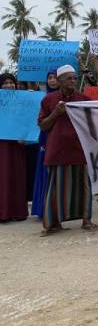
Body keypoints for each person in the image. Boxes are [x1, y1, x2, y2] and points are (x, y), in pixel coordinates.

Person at [37, 65, 98, 235]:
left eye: (75, 78)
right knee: (55, 189)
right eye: (69, 78)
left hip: (80, 149)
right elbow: (43, 125)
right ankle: (53, 224)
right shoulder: (49, 100)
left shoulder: (84, 100)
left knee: (83, 186)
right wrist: (56, 113)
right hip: (57, 150)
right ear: (60, 80)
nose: (73, 81)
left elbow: (95, 120)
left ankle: (86, 220)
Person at [0, 73, 28, 222]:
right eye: (5, 83)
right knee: (3, 176)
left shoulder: (23, 101)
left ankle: (18, 212)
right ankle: (3, 213)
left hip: (17, 144)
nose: (9, 85)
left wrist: (26, 136)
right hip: (2, 145)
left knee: (16, 176)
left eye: (11, 82)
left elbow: (28, 120)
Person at [31, 71, 59, 219]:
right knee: (44, 171)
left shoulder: (65, 97)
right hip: (44, 138)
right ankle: (42, 208)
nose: (52, 81)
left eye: (55, 77)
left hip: (59, 139)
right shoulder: (40, 97)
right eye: (50, 78)